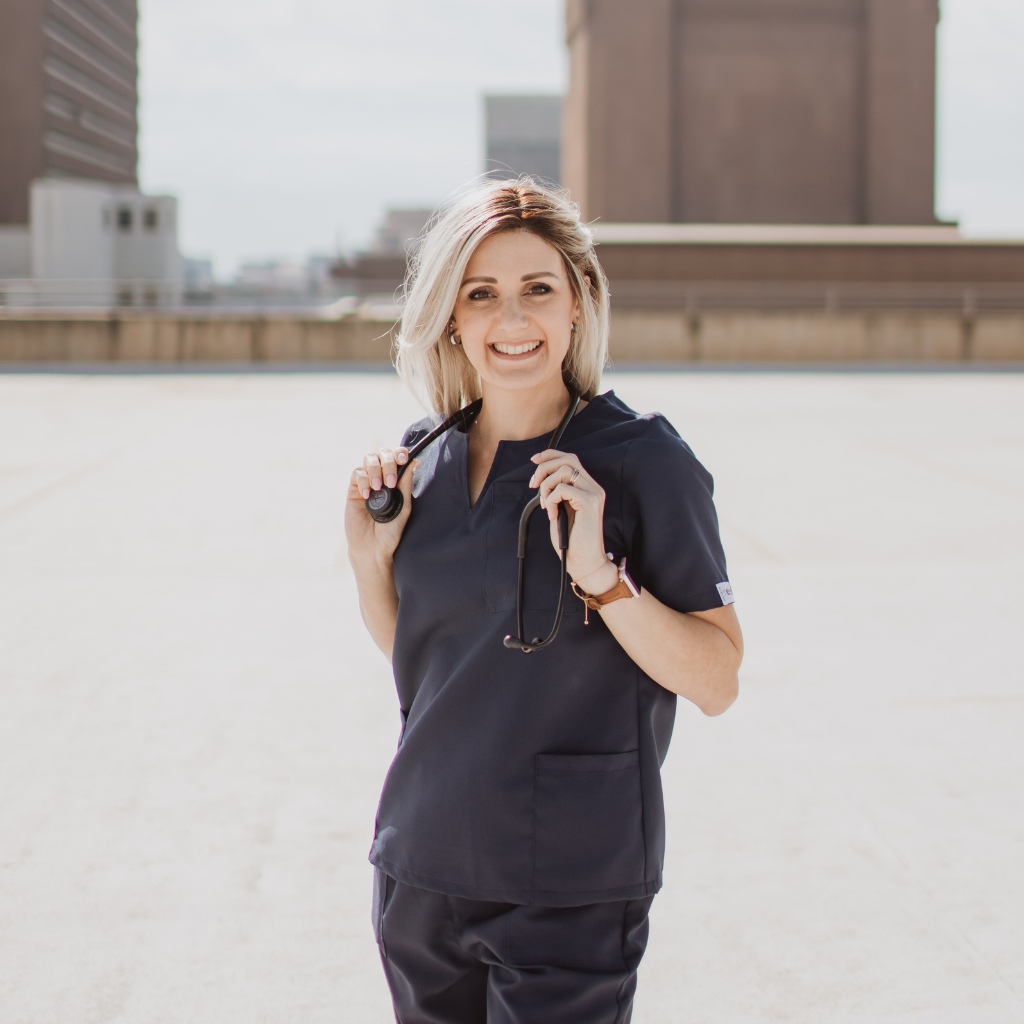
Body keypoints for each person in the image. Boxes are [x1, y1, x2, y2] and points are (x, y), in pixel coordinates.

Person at [345, 178, 742, 1024]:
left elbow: (716, 678)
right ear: (452, 315)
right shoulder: (422, 460)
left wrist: (604, 578)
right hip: (421, 867)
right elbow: (429, 662)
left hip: (568, 885)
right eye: (481, 294)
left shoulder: (642, 462)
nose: (512, 320)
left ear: (578, 304)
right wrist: (369, 561)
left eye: (538, 290)